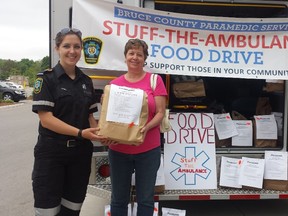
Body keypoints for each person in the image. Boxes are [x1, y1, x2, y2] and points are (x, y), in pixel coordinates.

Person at [31, 27, 107, 216]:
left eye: (76, 46)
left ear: (81, 49)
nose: (72, 51)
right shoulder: (46, 79)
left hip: (79, 156)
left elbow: (90, 117)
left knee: (72, 209)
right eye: (66, 46)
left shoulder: (86, 81)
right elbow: (46, 119)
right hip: (51, 155)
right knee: (47, 211)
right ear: (57, 48)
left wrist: (103, 133)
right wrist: (80, 133)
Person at [108, 38, 168, 216]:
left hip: (148, 149)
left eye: (139, 54)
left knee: (146, 199)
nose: (135, 57)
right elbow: (109, 118)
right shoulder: (114, 85)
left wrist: (146, 127)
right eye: (131, 53)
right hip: (118, 150)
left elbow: (160, 112)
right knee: (118, 199)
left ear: (145, 58)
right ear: (125, 57)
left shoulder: (155, 81)